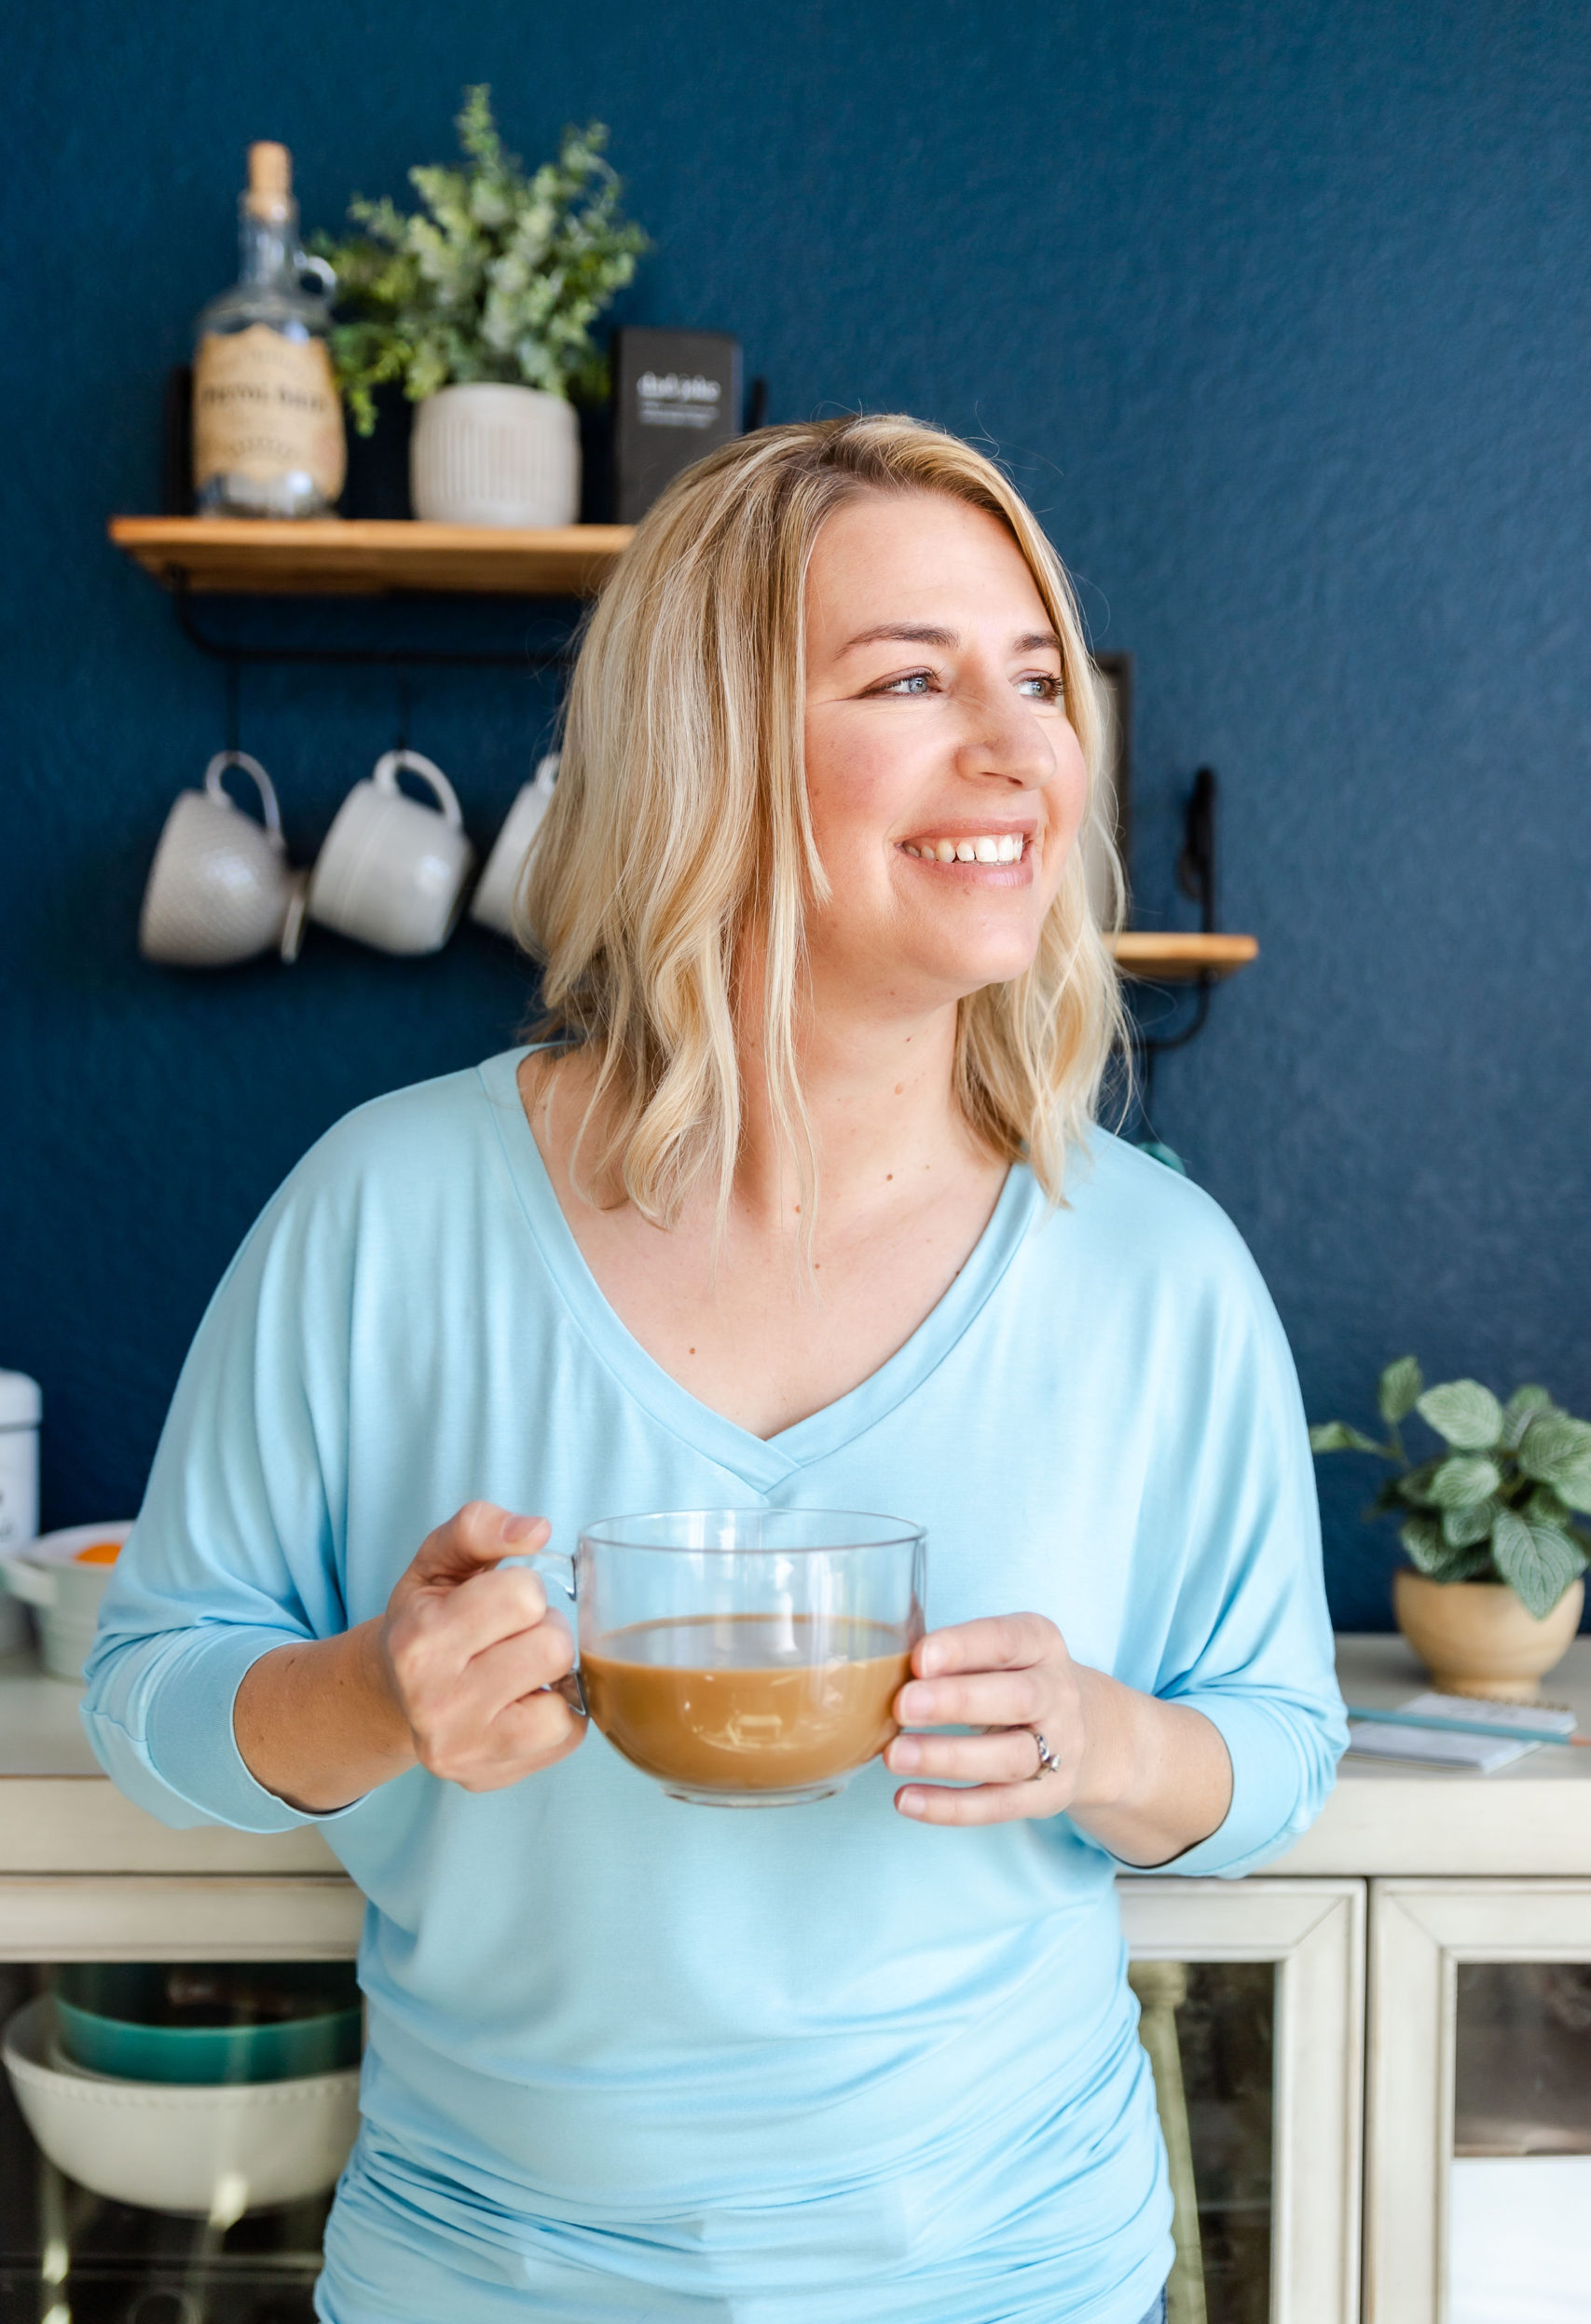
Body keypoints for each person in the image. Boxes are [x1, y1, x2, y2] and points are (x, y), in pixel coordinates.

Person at [85, 415, 1346, 2324]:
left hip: (1009, 2276)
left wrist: (1109, 1739)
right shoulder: (387, 1210)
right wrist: (370, 1693)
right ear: (713, 749)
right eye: (909, 678)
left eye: (1032, 677)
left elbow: (1276, 1746)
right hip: (484, 2278)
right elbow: (149, 1701)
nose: (1016, 745)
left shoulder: (1152, 1267)